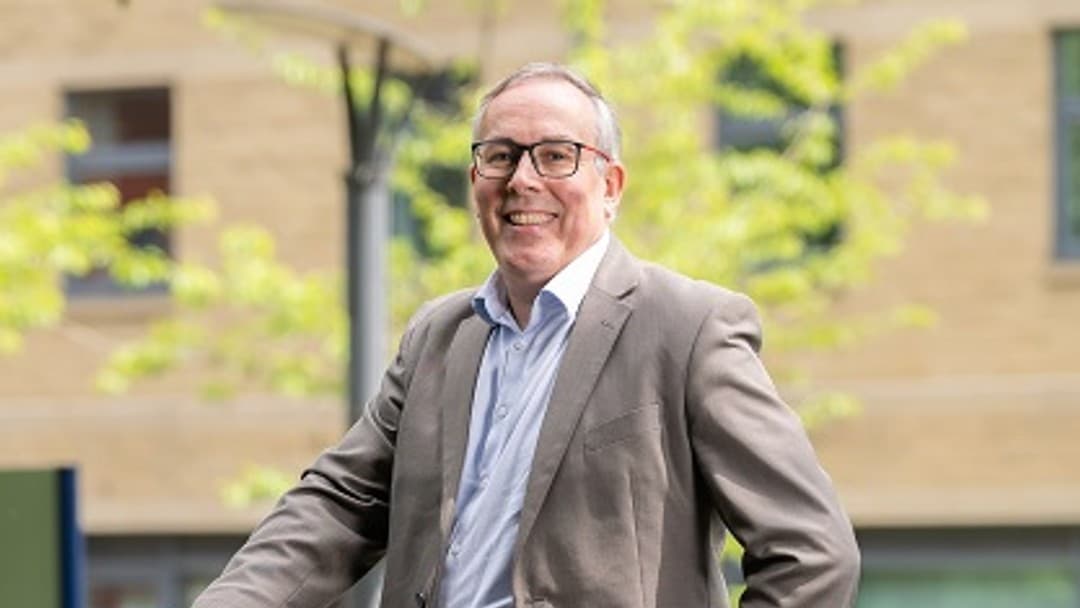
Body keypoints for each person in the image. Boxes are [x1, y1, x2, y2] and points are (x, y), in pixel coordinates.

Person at [192, 62, 860, 608]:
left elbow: (813, 553)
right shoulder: (437, 338)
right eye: (501, 156)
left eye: (556, 156)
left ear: (610, 185)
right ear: (475, 180)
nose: (522, 180)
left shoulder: (688, 328)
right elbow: (338, 506)